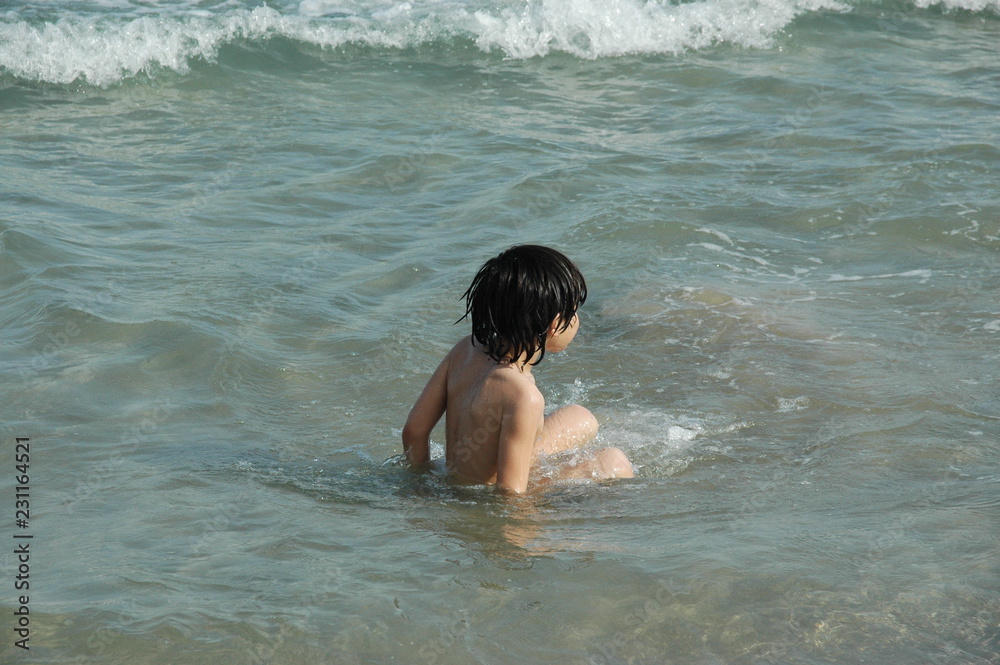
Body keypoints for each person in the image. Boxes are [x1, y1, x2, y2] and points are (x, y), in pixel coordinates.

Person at [402, 245, 633, 495]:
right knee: (614, 462)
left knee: (580, 417)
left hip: (459, 471)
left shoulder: (465, 349)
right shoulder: (524, 396)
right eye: (573, 311)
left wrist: (422, 484)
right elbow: (510, 492)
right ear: (553, 325)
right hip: (490, 490)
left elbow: (414, 430)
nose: (577, 319)